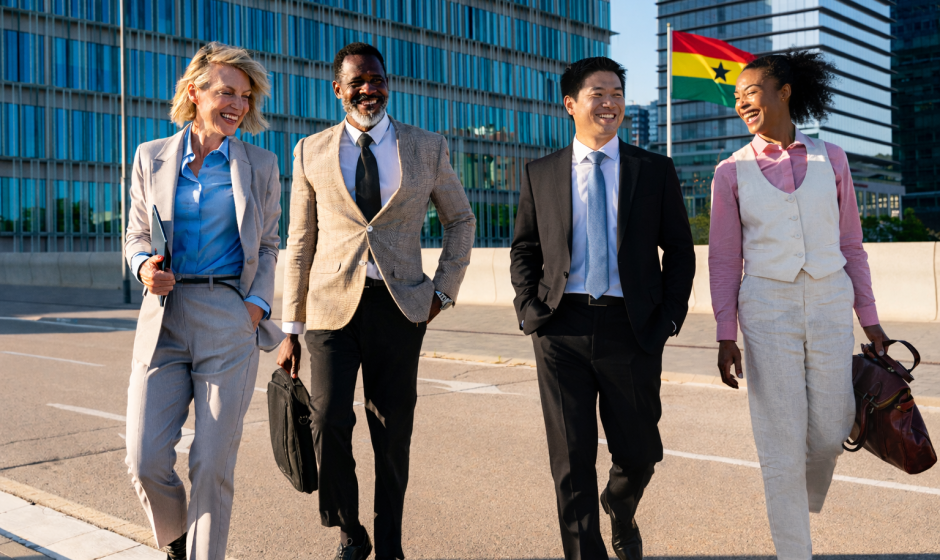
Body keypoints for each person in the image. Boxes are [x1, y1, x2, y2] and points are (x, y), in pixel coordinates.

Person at [276, 42, 475, 560]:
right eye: (359, 81)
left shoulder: (426, 146)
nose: (371, 88)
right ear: (338, 89)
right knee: (327, 420)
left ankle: (389, 545)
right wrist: (290, 328)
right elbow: (299, 244)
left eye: (378, 79)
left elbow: (461, 220)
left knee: (392, 432)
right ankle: (350, 531)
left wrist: (444, 291)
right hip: (329, 310)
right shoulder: (308, 151)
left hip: (400, 306)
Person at [510, 57, 695, 560]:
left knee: (639, 453)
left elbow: (679, 249)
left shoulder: (653, 170)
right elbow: (525, 248)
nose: (610, 102)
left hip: (631, 327)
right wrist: (529, 310)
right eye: (598, 93)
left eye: (617, 92)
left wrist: (669, 319)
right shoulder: (540, 173)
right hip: (559, 326)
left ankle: (620, 502)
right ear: (570, 104)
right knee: (570, 460)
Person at [709, 51, 889, 559]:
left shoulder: (831, 158)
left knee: (834, 428)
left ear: (784, 91)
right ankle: (794, 549)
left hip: (832, 300)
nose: (742, 102)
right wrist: (727, 333)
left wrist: (870, 321)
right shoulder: (730, 172)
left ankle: (797, 497)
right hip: (766, 307)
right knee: (779, 442)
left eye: (751, 91)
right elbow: (724, 260)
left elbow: (852, 244)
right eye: (737, 97)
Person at [123, 42, 283, 560]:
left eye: (245, 95)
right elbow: (136, 235)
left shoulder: (260, 164)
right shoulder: (151, 156)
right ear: (194, 93)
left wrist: (256, 306)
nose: (237, 104)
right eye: (225, 92)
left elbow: (268, 244)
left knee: (212, 464)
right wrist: (145, 266)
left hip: (228, 316)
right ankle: (176, 542)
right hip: (163, 319)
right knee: (144, 458)